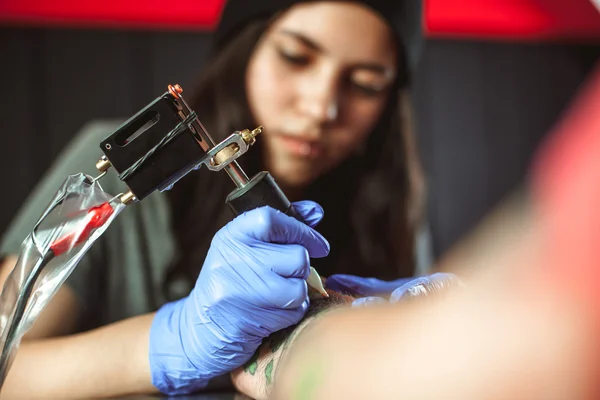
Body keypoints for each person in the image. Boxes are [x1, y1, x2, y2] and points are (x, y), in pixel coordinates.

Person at [0, 0, 434, 397]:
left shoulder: (388, 213)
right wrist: (172, 342)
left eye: (365, 84)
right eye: (295, 58)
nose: (322, 107)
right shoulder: (118, 179)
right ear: (244, 49)